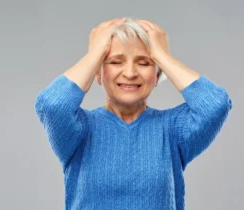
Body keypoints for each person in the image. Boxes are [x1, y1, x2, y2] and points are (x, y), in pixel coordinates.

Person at [34, 17, 233, 210]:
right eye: (115, 62)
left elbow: (216, 104)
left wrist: (161, 55)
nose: (130, 73)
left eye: (144, 63)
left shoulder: (172, 130)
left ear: (157, 74)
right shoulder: (79, 130)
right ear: (97, 72)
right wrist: (95, 53)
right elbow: (52, 105)